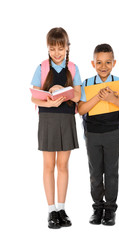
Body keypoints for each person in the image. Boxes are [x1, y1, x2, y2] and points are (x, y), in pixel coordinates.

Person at [31, 27, 82, 229]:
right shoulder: (42, 67)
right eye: (52, 48)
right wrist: (49, 101)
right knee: (48, 166)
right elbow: (34, 96)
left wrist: (62, 90)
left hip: (67, 118)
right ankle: (51, 210)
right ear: (48, 48)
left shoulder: (73, 68)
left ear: (67, 47)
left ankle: (61, 208)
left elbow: (78, 96)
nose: (57, 53)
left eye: (61, 48)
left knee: (63, 166)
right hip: (47, 118)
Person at [78, 44, 119, 226]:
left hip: (112, 133)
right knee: (95, 173)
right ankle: (97, 207)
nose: (103, 66)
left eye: (108, 62)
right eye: (99, 62)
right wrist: (98, 98)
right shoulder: (86, 83)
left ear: (114, 63)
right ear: (93, 63)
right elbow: (80, 110)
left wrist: (113, 99)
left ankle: (110, 209)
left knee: (111, 172)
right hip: (92, 134)